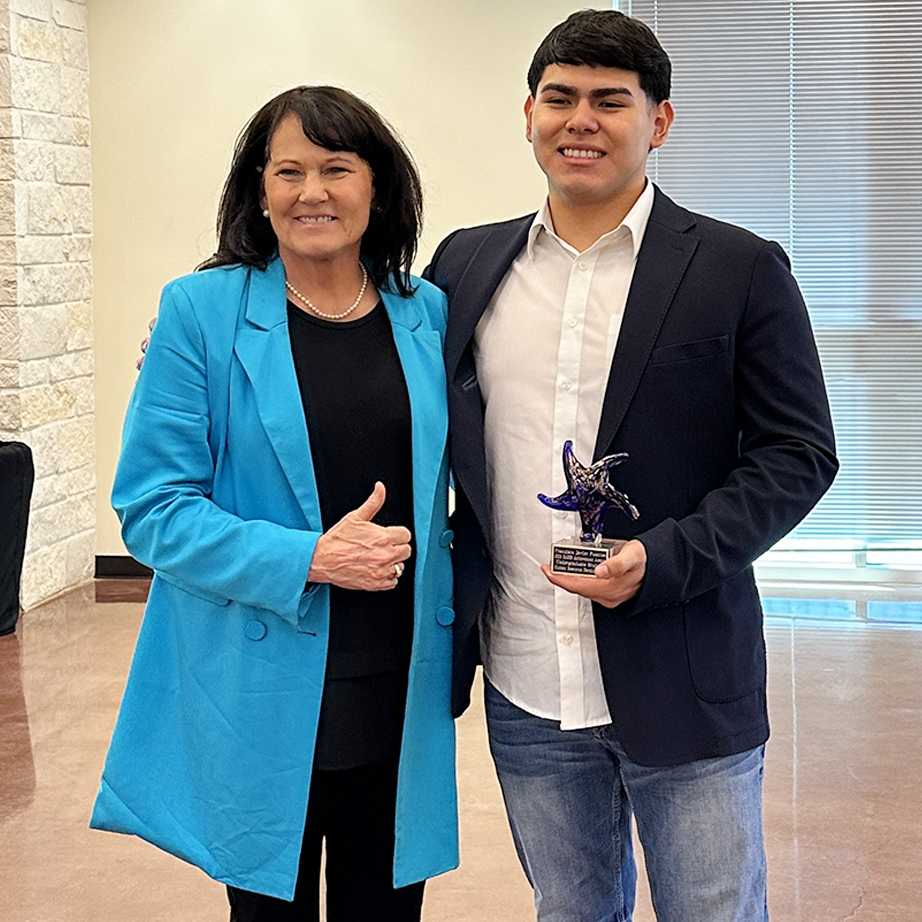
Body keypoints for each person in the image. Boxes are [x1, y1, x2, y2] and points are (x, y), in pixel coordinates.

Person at [424, 10, 837, 922]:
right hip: (526, 677)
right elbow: (382, 376)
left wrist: (667, 558)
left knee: (713, 911)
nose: (582, 120)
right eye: (560, 98)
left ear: (659, 121)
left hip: (683, 668)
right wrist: (206, 335)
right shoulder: (464, 263)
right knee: (571, 912)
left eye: (611, 101)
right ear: (527, 113)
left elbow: (798, 454)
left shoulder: (738, 267)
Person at [91, 85, 458, 922]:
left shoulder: (425, 312)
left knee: (388, 909)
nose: (311, 192)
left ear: (378, 186)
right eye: (287, 171)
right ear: (260, 191)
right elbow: (152, 507)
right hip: (263, 682)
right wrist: (309, 558)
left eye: (336, 168)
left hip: (399, 683)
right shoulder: (200, 311)